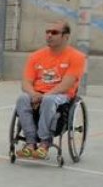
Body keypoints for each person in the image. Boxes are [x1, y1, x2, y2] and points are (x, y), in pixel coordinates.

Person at [16, 20, 87, 159]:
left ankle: (44, 143)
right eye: (47, 32)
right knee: (23, 98)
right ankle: (30, 142)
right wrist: (33, 94)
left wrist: (44, 96)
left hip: (61, 94)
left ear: (65, 36)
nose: (49, 35)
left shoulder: (77, 57)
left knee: (49, 100)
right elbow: (26, 83)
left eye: (54, 32)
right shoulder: (35, 56)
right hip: (37, 93)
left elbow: (66, 85)